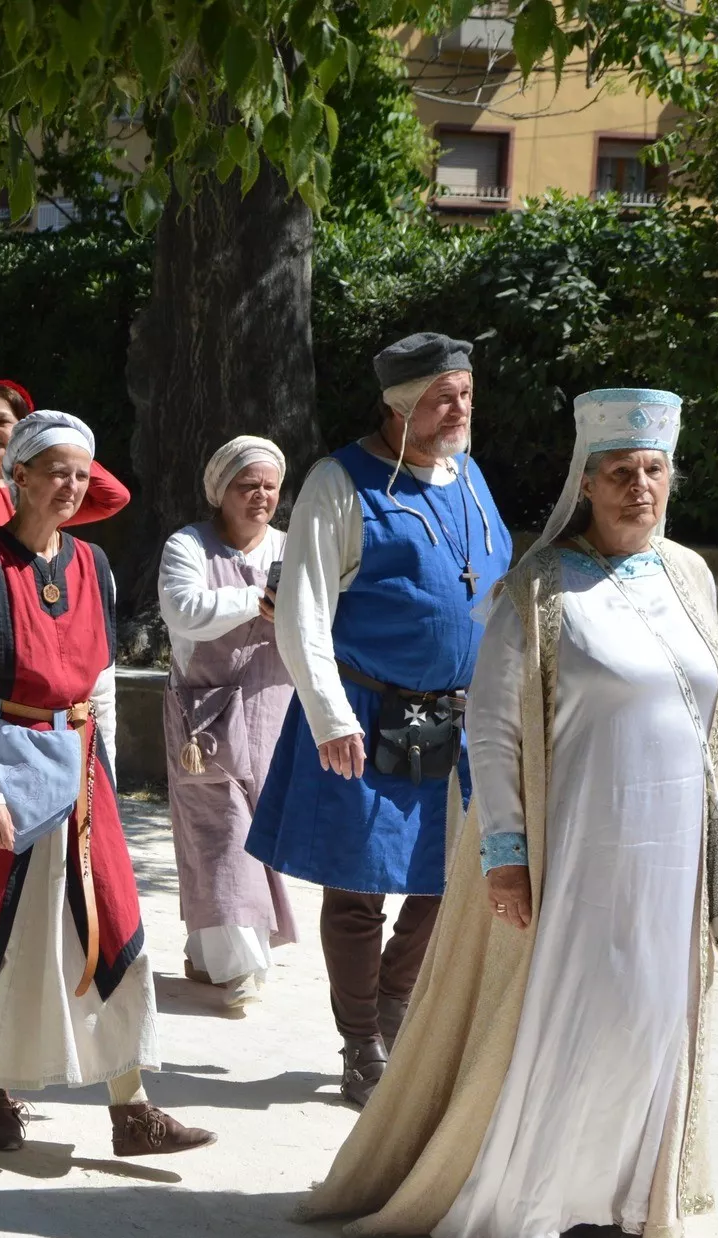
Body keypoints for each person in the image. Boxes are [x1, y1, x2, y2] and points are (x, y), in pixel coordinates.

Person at [300, 388, 718, 1238]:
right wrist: (507, 857)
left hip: (671, 859)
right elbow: (495, 730)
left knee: (651, 1024)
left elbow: (714, 706)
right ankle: (539, 1197)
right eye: (619, 472)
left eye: (654, 471)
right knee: (574, 1019)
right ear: (585, 482)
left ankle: (622, 1196)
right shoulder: (538, 589)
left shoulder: (688, 574)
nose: (639, 488)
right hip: (578, 851)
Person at [0, 410, 217, 1157]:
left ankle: (131, 1107)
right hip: (2, 768)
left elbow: (99, 677)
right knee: (5, 933)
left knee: (111, 928)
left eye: (81, 473)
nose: (71, 487)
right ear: (22, 478)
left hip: (77, 771)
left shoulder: (92, 565)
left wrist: (93, 766)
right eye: (57, 471)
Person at [245, 332, 512, 1106]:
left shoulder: (470, 475)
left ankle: (396, 1011)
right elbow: (301, 613)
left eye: (465, 390)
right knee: (360, 889)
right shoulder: (342, 481)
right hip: (366, 709)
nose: (459, 406)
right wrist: (330, 717)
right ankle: (361, 1044)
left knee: (450, 877)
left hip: (458, 718)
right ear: (398, 406)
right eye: (442, 395)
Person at [157, 437, 298, 1010]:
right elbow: (184, 610)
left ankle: (208, 953)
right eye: (247, 485)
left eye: (269, 485)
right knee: (220, 835)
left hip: (274, 710)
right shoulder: (187, 545)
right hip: (205, 713)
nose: (260, 495)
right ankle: (242, 966)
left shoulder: (291, 547)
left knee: (259, 830)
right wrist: (257, 599)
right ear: (221, 492)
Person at [0, 379, 131, 537]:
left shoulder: (45, 488)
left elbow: (114, 498)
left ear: (25, 430)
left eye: (2, 421)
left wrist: (63, 450)